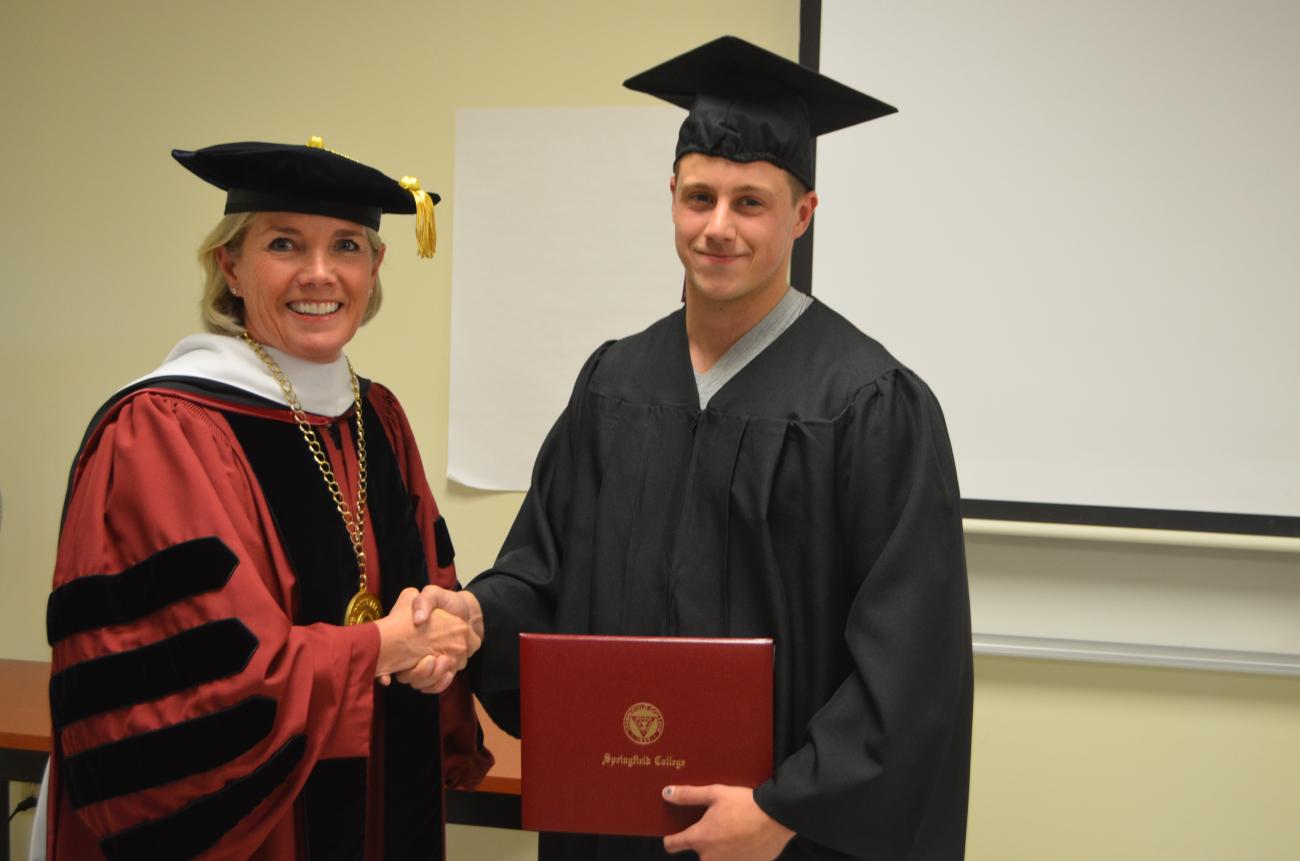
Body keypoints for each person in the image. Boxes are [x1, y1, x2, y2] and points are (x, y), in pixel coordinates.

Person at [409, 35, 973, 861]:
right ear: (671, 194)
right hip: (617, 824)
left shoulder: (867, 405)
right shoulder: (615, 382)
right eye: (699, 196)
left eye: (750, 202)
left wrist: (785, 809)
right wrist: (479, 615)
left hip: (776, 838)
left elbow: (910, 664)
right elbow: (546, 571)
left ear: (802, 214)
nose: (718, 227)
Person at [42, 137, 492, 860]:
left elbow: (422, 583)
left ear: (374, 267)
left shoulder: (377, 414)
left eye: (346, 245)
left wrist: (450, 628)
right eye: (285, 244)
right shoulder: (163, 428)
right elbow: (205, 686)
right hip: (255, 830)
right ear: (231, 264)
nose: (320, 274)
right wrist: (382, 645)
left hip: (377, 795)